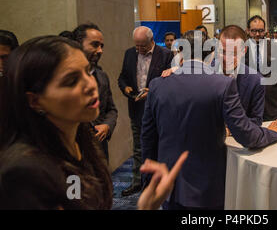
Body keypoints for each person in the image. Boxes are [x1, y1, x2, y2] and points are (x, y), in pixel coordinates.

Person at [0, 36, 186, 209]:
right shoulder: (24, 173)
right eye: (71, 80)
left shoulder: (83, 141)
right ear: (35, 100)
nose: (90, 85)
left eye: (88, 72)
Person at [141, 30, 277, 210]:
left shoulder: (157, 84)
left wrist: (148, 182)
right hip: (206, 185)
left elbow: (147, 137)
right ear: (211, 54)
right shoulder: (221, 85)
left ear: (179, 54)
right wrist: (271, 133)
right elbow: (247, 135)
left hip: (167, 180)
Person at [118, 26, 173, 196]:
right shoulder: (129, 53)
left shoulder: (166, 55)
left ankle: (158, 183)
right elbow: (122, 77)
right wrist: (125, 88)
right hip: (136, 108)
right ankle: (138, 182)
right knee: (138, 148)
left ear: (151, 41)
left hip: (158, 111)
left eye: (142, 46)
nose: (139, 49)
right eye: (137, 46)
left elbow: (172, 83)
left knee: (158, 147)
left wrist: (153, 91)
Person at [73, 23, 118, 161]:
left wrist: (107, 126)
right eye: (94, 45)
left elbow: (111, 109)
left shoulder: (102, 76)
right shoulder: (65, 78)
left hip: (100, 148)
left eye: (101, 46)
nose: (100, 51)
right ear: (78, 44)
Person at [245, 15, 277, 121]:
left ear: (265, 31)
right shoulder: (242, 50)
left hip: (273, 104)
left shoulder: (276, 47)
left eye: (260, 31)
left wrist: (272, 86)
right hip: (249, 106)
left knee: (276, 136)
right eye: (254, 31)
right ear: (248, 31)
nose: (257, 34)